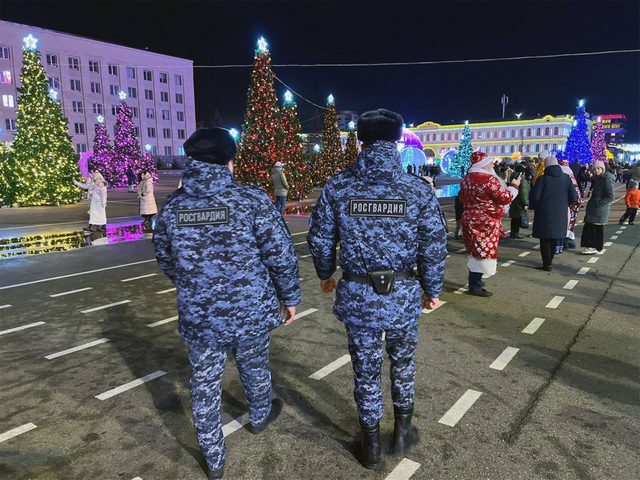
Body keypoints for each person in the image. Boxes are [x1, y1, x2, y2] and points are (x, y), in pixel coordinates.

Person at [153, 127, 301, 479]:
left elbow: (164, 257)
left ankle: (214, 458)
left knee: (203, 382)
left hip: (201, 315)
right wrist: (290, 297)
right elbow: (279, 254)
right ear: (229, 160)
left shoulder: (174, 207)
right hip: (250, 309)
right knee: (254, 365)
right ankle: (260, 415)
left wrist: (194, 284)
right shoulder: (249, 200)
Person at [307, 109, 447, 469]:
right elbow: (433, 244)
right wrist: (432, 289)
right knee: (403, 363)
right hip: (402, 295)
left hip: (358, 296)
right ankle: (401, 433)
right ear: (399, 140)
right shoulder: (416, 189)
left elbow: (321, 238)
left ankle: (370, 446)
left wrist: (326, 273)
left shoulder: (339, 186)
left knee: (365, 370)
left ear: (360, 140)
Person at [459, 151, 519, 297]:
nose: (492, 164)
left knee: (474, 251)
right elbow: (505, 197)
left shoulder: (466, 179)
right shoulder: (488, 180)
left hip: (468, 219)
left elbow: (461, 197)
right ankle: (475, 285)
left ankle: (476, 281)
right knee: (483, 252)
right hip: (485, 221)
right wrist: (513, 185)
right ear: (484, 164)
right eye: (490, 162)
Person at [528, 156, 577, 271]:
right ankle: (550, 260)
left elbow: (535, 197)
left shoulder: (542, 179)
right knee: (555, 237)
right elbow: (573, 196)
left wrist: (533, 206)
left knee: (545, 239)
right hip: (560, 213)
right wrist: (564, 204)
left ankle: (547, 263)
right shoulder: (566, 178)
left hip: (544, 213)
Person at [581, 160, 615, 254]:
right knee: (590, 227)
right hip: (595, 207)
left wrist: (598, 203)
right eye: (595, 169)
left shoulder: (606, 179)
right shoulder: (599, 178)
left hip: (599, 209)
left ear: (603, 168)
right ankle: (591, 246)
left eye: (599, 168)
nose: (597, 170)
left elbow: (610, 196)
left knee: (596, 228)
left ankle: (595, 247)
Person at [559, 159, 583, 249]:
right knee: (571, 222)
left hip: (567, 203)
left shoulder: (563, 175)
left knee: (565, 222)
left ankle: (564, 241)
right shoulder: (571, 174)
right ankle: (569, 239)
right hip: (574, 203)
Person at [508, 164, 530, 239]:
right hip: (519, 202)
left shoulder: (512, 177)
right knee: (518, 217)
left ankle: (513, 233)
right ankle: (515, 233)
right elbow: (524, 192)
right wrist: (525, 203)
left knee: (514, 218)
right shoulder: (522, 179)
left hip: (514, 200)